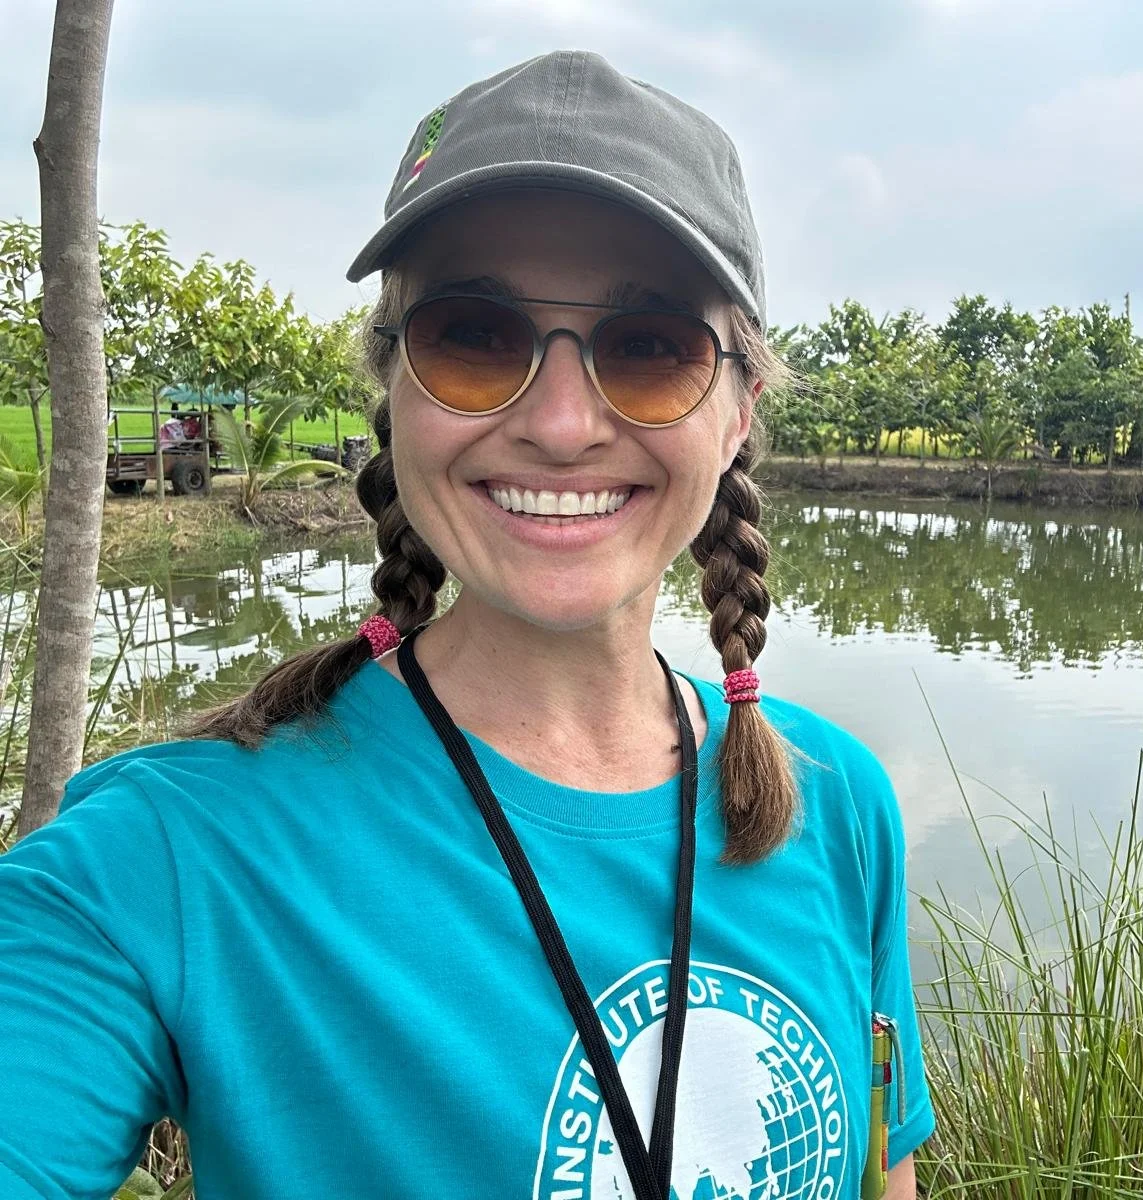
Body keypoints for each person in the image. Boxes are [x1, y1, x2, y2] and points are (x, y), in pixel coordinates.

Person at [0, 50, 932, 1200]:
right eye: (475, 336)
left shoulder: (835, 803)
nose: (557, 422)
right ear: (390, 388)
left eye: (648, 347)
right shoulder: (165, 854)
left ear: (737, 410)